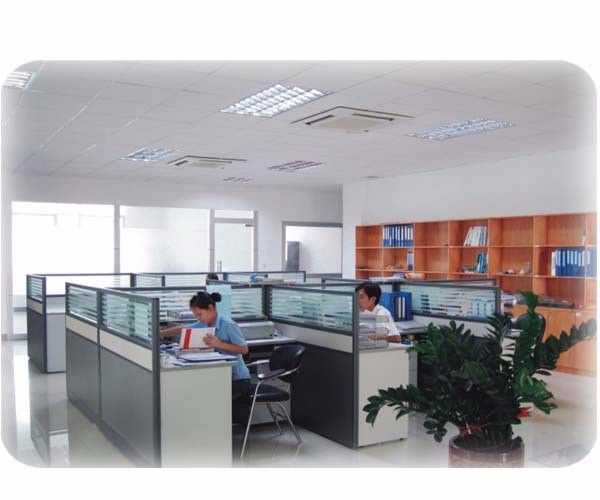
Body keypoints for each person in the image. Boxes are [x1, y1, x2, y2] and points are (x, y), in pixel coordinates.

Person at [160, 291, 252, 420]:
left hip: (237, 380)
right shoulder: (205, 323)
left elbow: (244, 349)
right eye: (195, 315)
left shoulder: (228, 324)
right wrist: (160, 333)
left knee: (202, 398)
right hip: (217, 376)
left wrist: (218, 344)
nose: (198, 318)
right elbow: (183, 330)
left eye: (199, 314)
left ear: (211, 308)